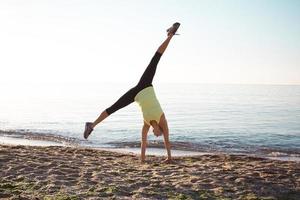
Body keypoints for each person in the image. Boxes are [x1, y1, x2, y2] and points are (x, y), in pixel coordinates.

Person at [83, 22, 180, 163]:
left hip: (136, 94)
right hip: (145, 85)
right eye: (159, 134)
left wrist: (142, 160)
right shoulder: (162, 120)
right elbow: (167, 140)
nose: (157, 136)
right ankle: (170, 35)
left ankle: (91, 126)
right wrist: (169, 158)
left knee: (114, 108)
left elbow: (143, 142)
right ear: (160, 130)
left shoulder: (147, 124)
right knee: (155, 60)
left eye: (156, 135)